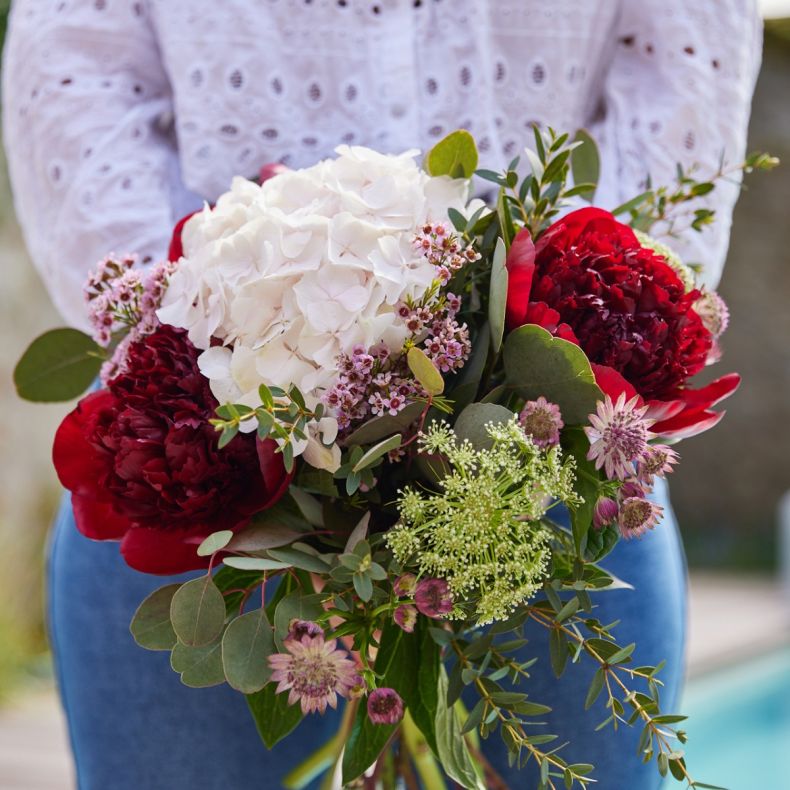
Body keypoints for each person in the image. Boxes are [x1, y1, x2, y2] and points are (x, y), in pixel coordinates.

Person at [2, 1, 760, 788]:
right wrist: (222, 340)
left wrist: (519, 348)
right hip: (200, 449)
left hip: (546, 452)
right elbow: (75, 82)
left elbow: (680, 80)